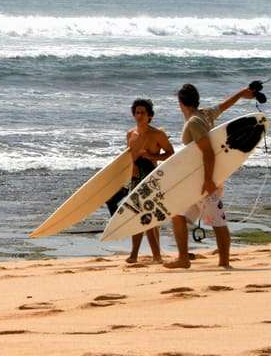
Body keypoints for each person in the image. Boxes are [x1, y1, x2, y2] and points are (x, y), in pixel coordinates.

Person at [164, 83, 257, 270]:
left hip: (204, 181)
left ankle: (224, 263)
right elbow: (224, 105)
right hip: (196, 181)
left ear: (180, 102)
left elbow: (208, 153)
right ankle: (184, 259)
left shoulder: (194, 122)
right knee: (177, 214)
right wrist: (241, 93)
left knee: (217, 221)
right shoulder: (205, 114)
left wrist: (208, 181)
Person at [105, 98, 174, 263]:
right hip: (134, 178)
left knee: (145, 217)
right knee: (138, 216)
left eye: (143, 112)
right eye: (137, 112)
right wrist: (131, 168)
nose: (139, 115)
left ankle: (153, 256)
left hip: (150, 178)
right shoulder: (130, 134)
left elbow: (171, 154)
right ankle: (139, 255)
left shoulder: (157, 134)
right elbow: (129, 155)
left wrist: (152, 156)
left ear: (150, 116)